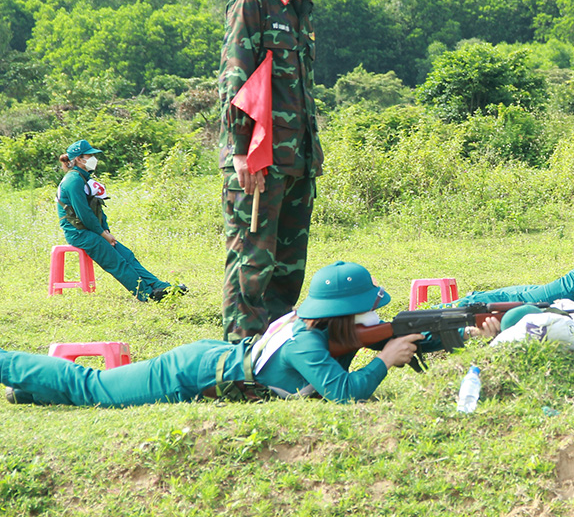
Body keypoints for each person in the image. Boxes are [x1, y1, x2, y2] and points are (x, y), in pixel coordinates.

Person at [1, 261, 497, 406]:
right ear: (346, 314)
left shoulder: (330, 330)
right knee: (93, 389)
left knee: (77, 393)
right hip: (189, 372)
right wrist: (385, 360)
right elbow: (343, 395)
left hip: (215, 362)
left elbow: (402, 333)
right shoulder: (307, 343)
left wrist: (469, 331)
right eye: (368, 311)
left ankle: (27, 395)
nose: (376, 319)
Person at [218, 0, 358, 341]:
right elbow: (235, 78)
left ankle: (274, 355)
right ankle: (240, 362)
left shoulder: (303, 8)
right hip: (258, 157)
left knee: (287, 268)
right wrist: (240, 150)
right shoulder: (254, 0)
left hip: (296, 159)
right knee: (252, 264)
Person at [55, 140, 181, 303]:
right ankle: (147, 294)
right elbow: (84, 214)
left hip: (91, 230)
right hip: (79, 233)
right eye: (90, 155)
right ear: (79, 159)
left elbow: (98, 209)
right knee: (116, 261)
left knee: (126, 255)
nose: (94, 159)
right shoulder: (73, 181)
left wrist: (106, 231)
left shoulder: (83, 178)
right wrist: (102, 234)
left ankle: (159, 286)